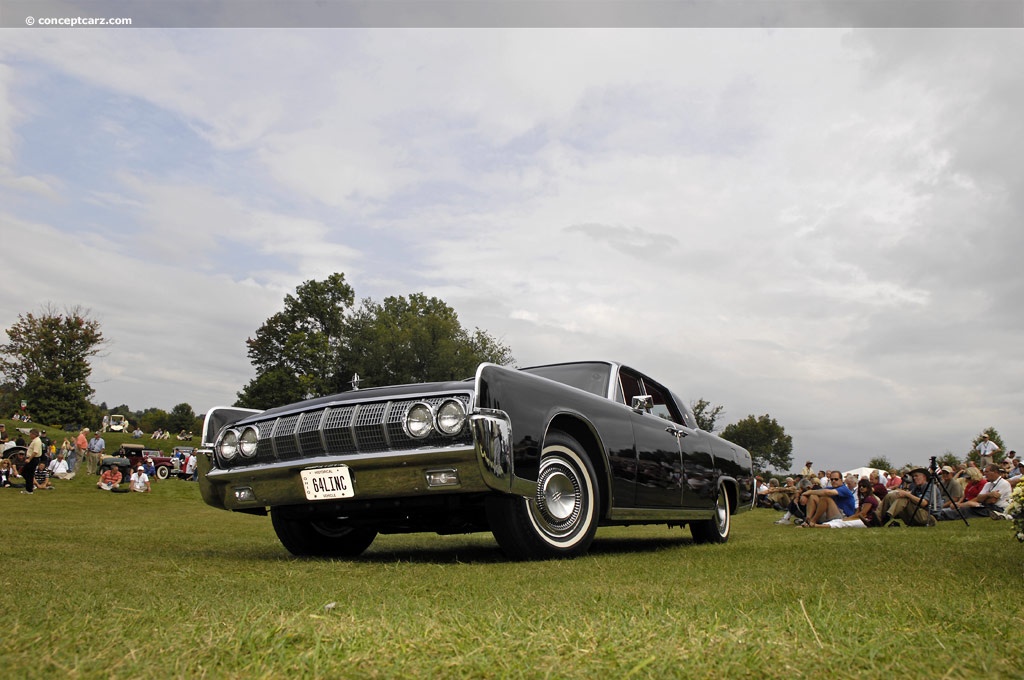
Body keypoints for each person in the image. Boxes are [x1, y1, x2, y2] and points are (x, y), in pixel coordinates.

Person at [938, 464, 1011, 520]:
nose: (985, 474)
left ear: (995, 472)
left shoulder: (1003, 484)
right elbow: (979, 498)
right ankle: (940, 515)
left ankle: (940, 516)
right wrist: (989, 494)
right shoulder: (988, 484)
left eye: (987, 472)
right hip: (985, 506)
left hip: (997, 508)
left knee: (967, 511)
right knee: (966, 510)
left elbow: (992, 500)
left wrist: (984, 498)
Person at [811, 479, 882, 528]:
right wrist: (850, 518)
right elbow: (857, 513)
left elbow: (863, 514)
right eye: (860, 486)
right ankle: (816, 525)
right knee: (837, 521)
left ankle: (817, 526)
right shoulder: (863, 499)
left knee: (844, 523)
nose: (861, 488)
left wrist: (848, 519)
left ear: (868, 488)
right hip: (861, 519)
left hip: (867, 521)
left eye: (864, 486)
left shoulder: (870, 498)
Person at [20, 428, 44, 495]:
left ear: (34, 434)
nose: (29, 435)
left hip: (33, 459)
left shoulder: (37, 441)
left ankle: (30, 489)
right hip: (31, 458)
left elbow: (35, 452)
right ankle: (29, 486)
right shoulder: (34, 440)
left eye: (30, 434)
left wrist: (29, 459)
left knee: (27, 473)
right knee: (26, 473)